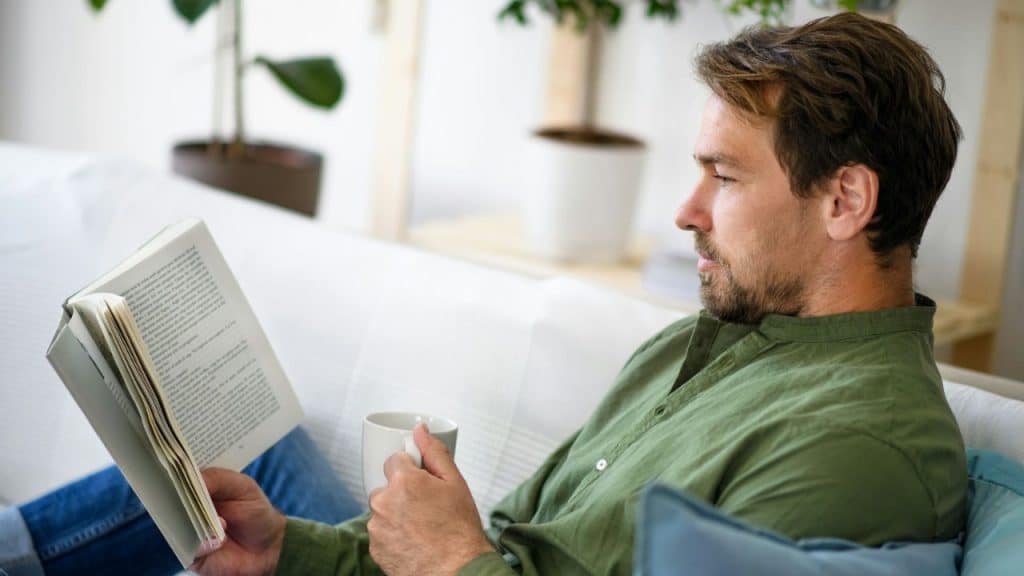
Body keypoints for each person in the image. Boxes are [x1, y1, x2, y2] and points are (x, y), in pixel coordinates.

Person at [1, 11, 967, 576]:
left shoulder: (858, 451)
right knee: (249, 477)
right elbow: (523, 548)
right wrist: (289, 554)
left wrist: (455, 559)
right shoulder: (711, 342)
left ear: (846, 198)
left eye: (724, 176)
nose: (684, 212)